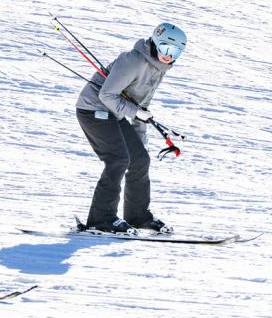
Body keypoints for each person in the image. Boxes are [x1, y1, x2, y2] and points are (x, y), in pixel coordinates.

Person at [75, 22, 188, 234]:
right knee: (118, 159)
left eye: (175, 51)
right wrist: (136, 113)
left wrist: (139, 141)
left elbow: (140, 108)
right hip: (93, 110)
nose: (168, 55)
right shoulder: (133, 61)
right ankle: (101, 219)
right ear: (155, 43)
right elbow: (106, 95)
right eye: (165, 48)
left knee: (140, 159)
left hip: (115, 113)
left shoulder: (157, 69)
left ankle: (138, 216)